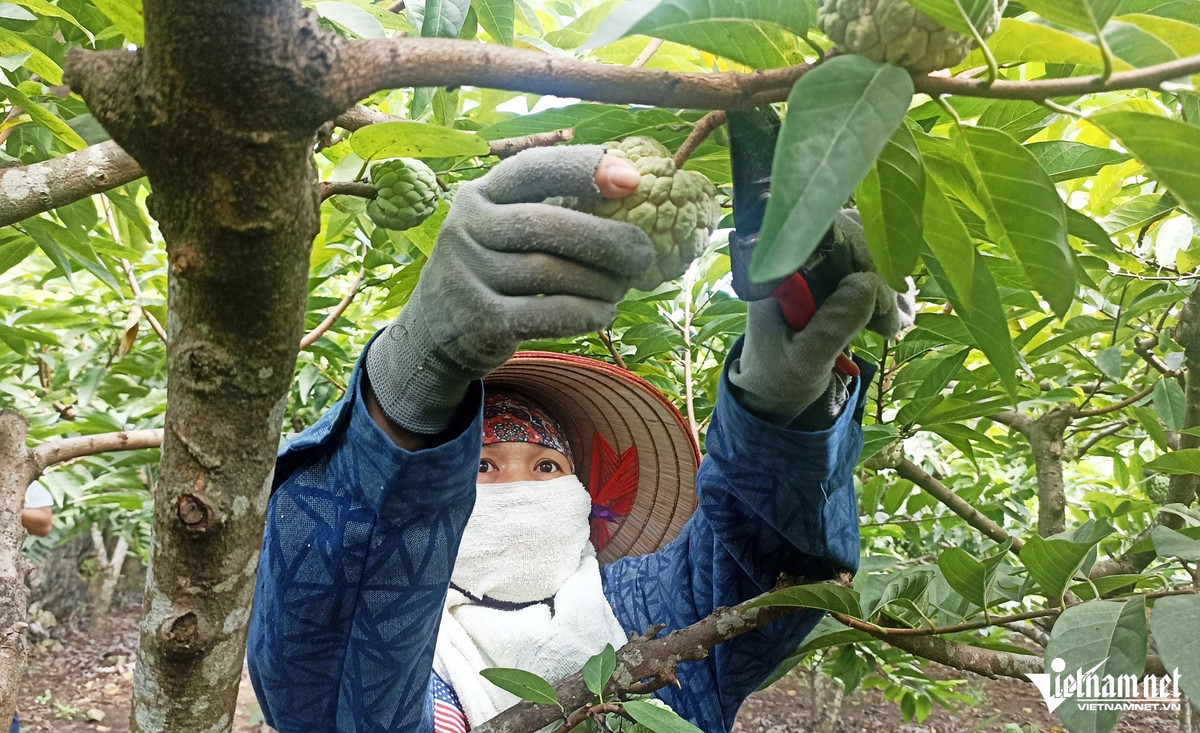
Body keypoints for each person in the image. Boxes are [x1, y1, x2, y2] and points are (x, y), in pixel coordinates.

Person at [248, 145, 910, 732]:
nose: (515, 485)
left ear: (583, 490)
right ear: (439, 490)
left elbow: (767, 579)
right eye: (481, 463)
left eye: (544, 465)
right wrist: (413, 380)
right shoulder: (413, 647)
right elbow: (323, 664)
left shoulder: (642, 605)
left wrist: (784, 417)